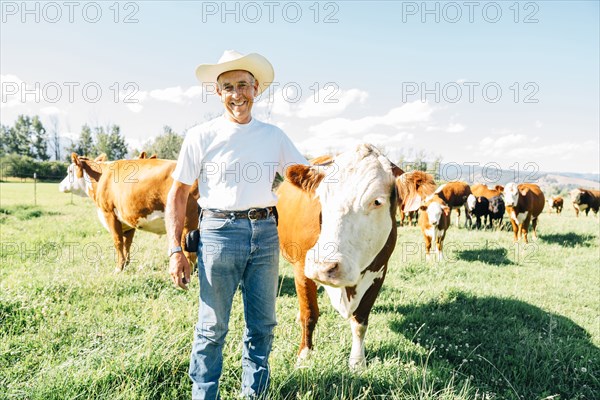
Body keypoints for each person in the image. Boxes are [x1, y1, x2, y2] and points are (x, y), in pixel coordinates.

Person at [166, 50, 307, 400]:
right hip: (218, 233)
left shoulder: (274, 136)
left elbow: (301, 176)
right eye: (228, 87)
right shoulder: (201, 135)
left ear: (255, 88)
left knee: (262, 327)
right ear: (218, 93)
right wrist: (175, 250)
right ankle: (204, 395)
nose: (236, 94)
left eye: (243, 85)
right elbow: (178, 194)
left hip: (266, 234)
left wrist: (271, 188)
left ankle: (253, 395)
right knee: (213, 327)